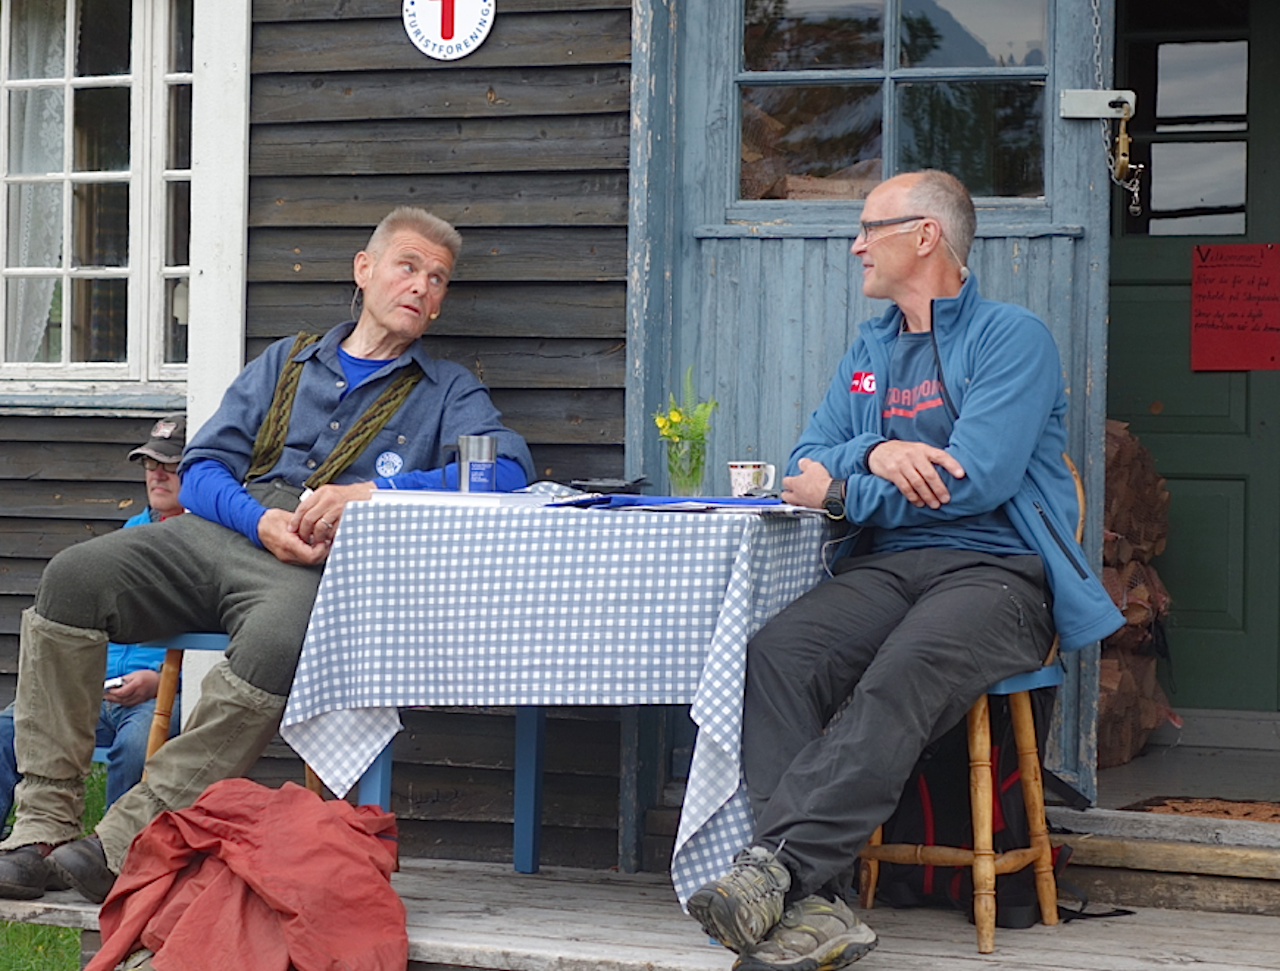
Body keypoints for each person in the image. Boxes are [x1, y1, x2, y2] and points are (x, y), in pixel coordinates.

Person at [0, 206, 535, 903]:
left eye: (438, 279)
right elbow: (201, 470)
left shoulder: (446, 392)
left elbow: (510, 469)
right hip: (220, 534)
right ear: (364, 269)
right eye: (408, 266)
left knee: (282, 635)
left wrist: (376, 493)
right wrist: (261, 520)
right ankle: (41, 824)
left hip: (310, 568)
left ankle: (122, 838)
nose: (423, 287)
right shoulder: (287, 359)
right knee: (72, 575)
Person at [685, 171, 1123, 971]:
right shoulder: (869, 352)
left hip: (999, 574)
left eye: (869, 227)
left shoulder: (1010, 338)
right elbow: (804, 463)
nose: (855, 244)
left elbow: (976, 479)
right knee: (778, 654)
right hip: (889, 568)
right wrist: (878, 451)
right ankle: (813, 907)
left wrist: (851, 489)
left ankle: (775, 870)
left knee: (904, 668)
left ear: (926, 235)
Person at [0, 415, 188, 830]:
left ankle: (107, 860)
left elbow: (225, 647)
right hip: (92, 687)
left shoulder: (207, 544)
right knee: (6, 728)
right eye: (149, 464)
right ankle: (36, 843)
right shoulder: (124, 536)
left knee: (140, 746)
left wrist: (158, 681)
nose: (157, 474)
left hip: (158, 695)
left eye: (171, 464)